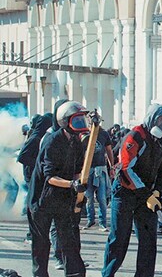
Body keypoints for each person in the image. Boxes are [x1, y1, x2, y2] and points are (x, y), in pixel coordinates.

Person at [102, 104, 162, 277]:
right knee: (119, 238)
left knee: (149, 240)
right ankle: (107, 274)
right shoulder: (135, 136)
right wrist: (146, 193)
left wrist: (158, 191)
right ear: (152, 119)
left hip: (147, 194)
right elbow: (126, 169)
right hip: (125, 192)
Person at [27, 101, 89, 277]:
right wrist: (72, 185)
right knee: (41, 243)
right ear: (65, 121)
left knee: (69, 240)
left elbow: (78, 171)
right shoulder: (52, 141)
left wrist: (79, 190)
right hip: (41, 199)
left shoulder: (77, 142)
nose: (81, 124)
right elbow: (50, 177)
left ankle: (75, 274)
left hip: (62, 198)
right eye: (77, 120)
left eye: (82, 119)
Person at [83, 125, 114, 232]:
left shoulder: (103, 134)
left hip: (100, 168)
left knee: (101, 197)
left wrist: (111, 167)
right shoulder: (83, 134)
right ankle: (90, 220)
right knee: (89, 197)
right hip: (87, 169)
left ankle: (102, 222)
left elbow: (109, 151)